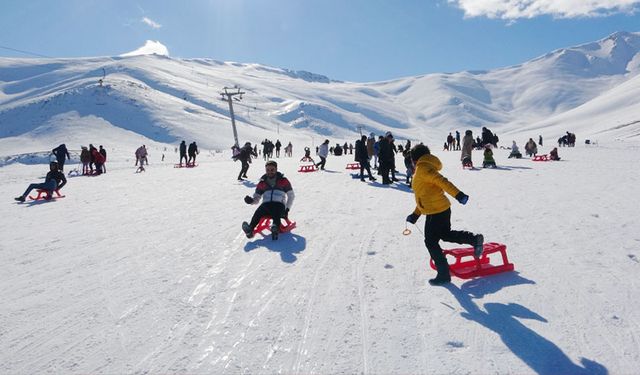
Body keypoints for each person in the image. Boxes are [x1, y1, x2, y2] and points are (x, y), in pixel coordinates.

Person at [405, 144, 484, 285]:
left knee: (430, 242)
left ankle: (443, 274)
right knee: (445, 234)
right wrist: (415, 214)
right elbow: (424, 195)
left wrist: (458, 195)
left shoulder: (423, 169)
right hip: (439, 209)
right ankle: (474, 240)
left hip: (435, 212)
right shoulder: (423, 168)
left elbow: (442, 182)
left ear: (414, 159)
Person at [242, 160, 295, 240]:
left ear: (276, 169)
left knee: (276, 209)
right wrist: (251, 201)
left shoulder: (283, 181)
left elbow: (291, 195)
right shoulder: (262, 182)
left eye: (272, 170)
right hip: (266, 205)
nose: (270, 172)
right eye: (268, 170)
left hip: (279, 205)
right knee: (259, 211)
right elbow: (257, 197)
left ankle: (275, 227)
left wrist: (287, 209)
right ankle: (250, 229)